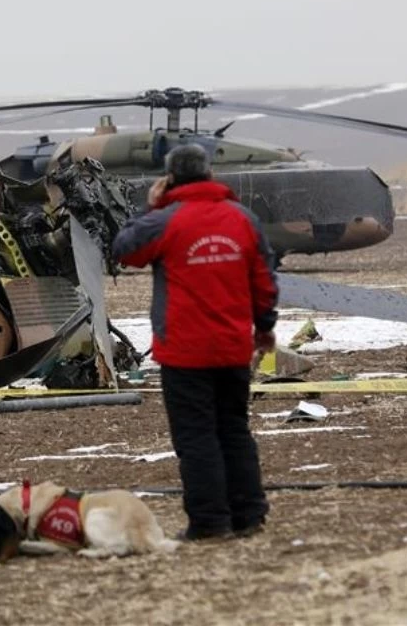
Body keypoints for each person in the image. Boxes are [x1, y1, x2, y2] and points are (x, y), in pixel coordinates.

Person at [112, 144, 278, 541]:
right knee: (235, 430)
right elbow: (265, 278)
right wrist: (264, 326)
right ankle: (249, 515)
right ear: (209, 174)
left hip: (184, 353)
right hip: (234, 348)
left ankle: (210, 523)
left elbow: (124, 250)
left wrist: (152, 208)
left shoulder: (166, 220)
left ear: (170, 179)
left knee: (197, 437)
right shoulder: (243, 218)